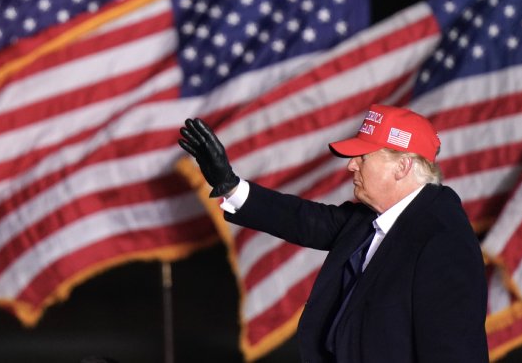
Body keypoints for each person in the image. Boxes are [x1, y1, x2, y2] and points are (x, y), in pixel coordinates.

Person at [178, 104, 489, 363]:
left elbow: (455, 354)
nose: (351, 166)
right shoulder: (372, 218)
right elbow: (302, 220)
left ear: (402, 167)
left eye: (363, 157)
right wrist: (229, 184)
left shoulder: (444, 241)